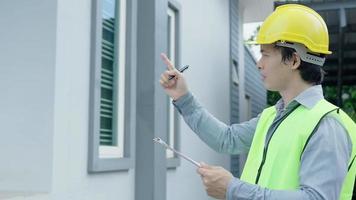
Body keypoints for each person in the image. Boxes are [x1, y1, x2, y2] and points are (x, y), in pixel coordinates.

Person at [159, 4, 356, 200]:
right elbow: (227, 139)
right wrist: (183, 97)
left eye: (266, 54)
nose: (258, 63)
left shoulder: (327, 126)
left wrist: (233, 189)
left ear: (294, 60)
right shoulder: (272, 116)